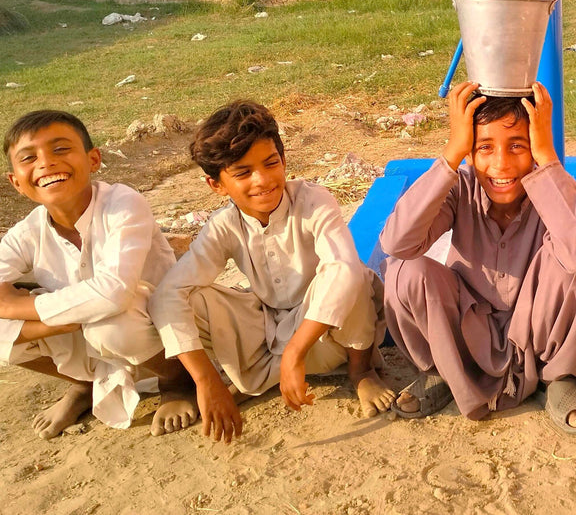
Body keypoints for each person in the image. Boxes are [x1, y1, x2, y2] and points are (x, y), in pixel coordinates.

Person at [380, 81, 576, 433]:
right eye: (484, 148)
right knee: (404, 269)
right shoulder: (461, 187)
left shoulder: (551, 188)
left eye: (518, 146)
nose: (501, 164)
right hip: (470, 330)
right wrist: (451, 153)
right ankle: (446, 372)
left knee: (573, 261)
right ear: (469, 153)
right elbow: (397, 243)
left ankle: (561, 379)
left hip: (538, 334)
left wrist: (547, 157)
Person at [149, 101, 394, 443]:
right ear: (216, 184)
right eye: (242, 172)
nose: (262, 180)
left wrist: (295, 352)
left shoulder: (313, 200)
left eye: (271, 163)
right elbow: (167, 295)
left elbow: (344, 270)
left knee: (349, 274)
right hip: (267, 342)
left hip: (327, 336)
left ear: (283, 160)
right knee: (191, 296)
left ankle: (362, 371)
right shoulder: (224, 227)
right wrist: (207, 380)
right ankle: (205, 385)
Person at [0, 110, 196, 439]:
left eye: (60, 149)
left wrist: (12, 307)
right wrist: (70, 321)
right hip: (94, 337)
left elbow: (114, 292)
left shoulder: (122, 203)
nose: (46, 163)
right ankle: (84, 384)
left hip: (161, 334)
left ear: (93, 160)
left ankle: (176, 382)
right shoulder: (29, 231)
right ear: (17, 182)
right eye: (29, 157)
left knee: (110, 321)